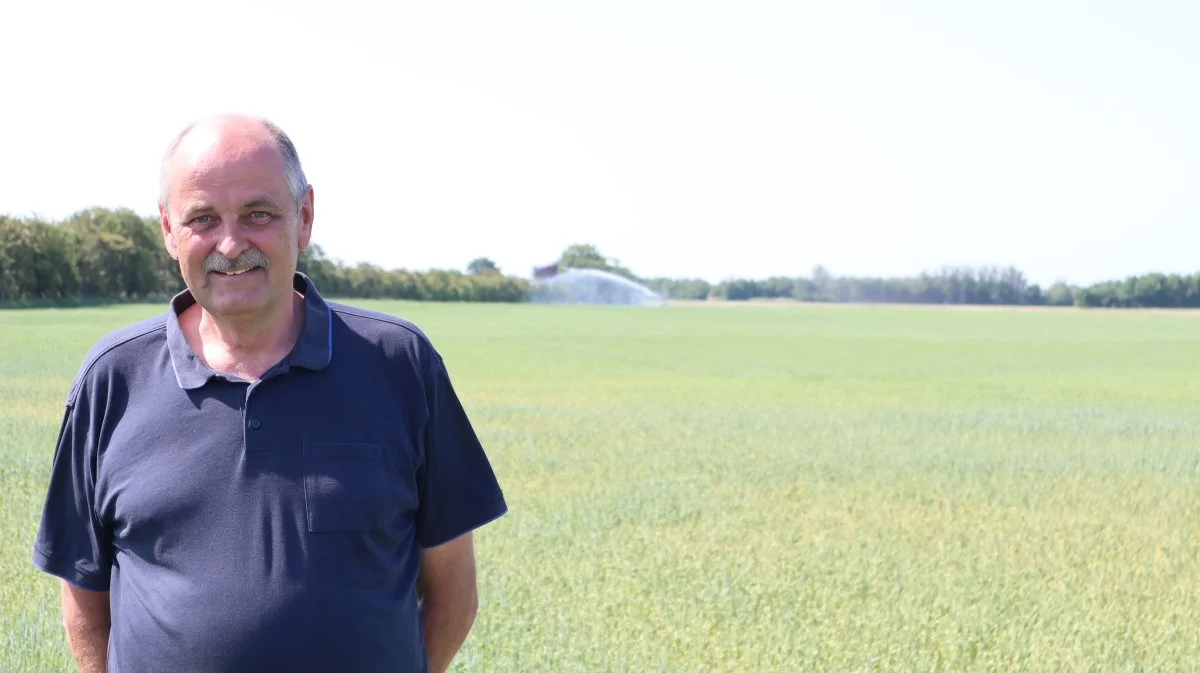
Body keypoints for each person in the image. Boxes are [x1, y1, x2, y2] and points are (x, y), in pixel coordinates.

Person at [31, 114, 508, 673]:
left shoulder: (399, 364)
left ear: (303, 218)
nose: (230, 244)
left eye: (258, 214)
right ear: (168, 230)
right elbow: (83, 595)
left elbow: (454, 591)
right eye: (202, 219)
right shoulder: (112, 380)